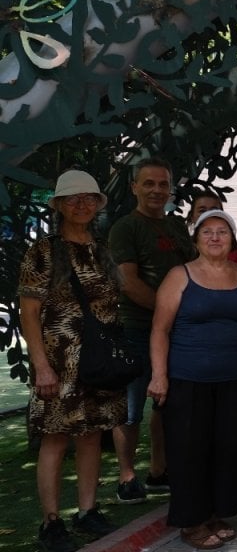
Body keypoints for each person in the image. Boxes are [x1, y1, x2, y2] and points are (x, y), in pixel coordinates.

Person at [145, 210, 237, 550]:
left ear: (231, 238)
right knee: (189, 451)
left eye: (222, 232)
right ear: (196, 239)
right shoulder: (179, 276)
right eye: (208, 232)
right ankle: (191, 522)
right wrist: (159, 375)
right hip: (187, 379)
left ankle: (216, 513)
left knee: (227, 448)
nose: (215, 237)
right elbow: (160, 329)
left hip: (231, 378)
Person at [22, 170, 127, 552]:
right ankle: (50, 522)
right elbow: (29, 312)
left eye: (88, 198)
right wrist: (41, 366)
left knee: (92, 434)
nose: (81, 205)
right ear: (60, 206)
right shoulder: (43, 252)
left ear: (97, 204)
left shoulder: (102, 249)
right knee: (56, 436)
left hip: (100, 361)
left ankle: (87, 511)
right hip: (59, 361)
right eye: (72, 199)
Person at [108, 158, 197, 504]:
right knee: (129, 409)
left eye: (163, 184)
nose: (157, 190)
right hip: (136, 330)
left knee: (165, 405)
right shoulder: (125, 228)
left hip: (175, 332)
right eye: (149, 183)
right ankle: (127, 477)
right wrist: (169, 313)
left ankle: (159, 471)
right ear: (134, 187)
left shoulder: (176, 227)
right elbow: (128, 282)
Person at [186, 191, 237, 265]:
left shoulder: (230, 249)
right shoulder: (182, 246)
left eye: (213, 210)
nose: (208, 214)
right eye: (202, 211)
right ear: (192, 217)